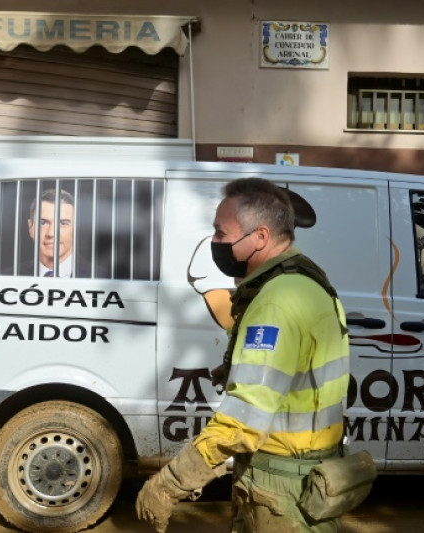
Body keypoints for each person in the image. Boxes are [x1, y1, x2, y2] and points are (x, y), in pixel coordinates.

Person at [136, 177, 351, 532]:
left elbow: (242, 424)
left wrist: (169, 483)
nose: (215, 242)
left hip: (283, 492)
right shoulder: (305, 281)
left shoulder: (276, 302)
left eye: (221, 233)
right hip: (307, 475)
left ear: (260, 237)